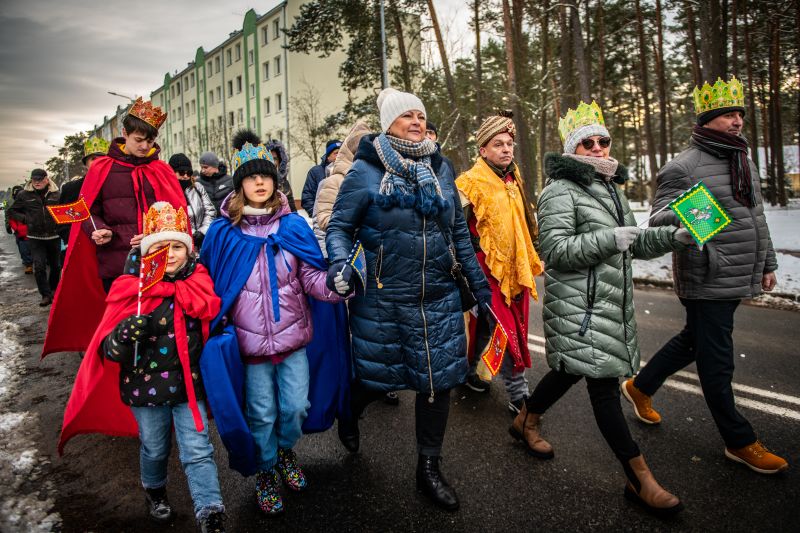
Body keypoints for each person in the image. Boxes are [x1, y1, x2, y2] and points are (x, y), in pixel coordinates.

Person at [511, 100, 693, 517]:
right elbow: (554, 251)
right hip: (581, 307)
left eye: (603, 141)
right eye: (587, 143)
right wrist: (612, 239)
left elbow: (636, 242)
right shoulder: (560, 190)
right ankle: (639, 478)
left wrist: (675, 237)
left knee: (570, 370)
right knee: (604, 384)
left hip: (609, 303)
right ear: (573, 151)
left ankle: (526, 420)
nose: (597, 148)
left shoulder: (611, 189)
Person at [326, 88, 490, 511]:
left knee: (437, 382)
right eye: (407, 116)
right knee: (379, 377)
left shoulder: (441, 168)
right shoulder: (365, 172)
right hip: (384, 298)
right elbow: (340, 228)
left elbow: (457, 233)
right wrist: (340, 265)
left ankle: (428, 469)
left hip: (437, 296)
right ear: (388, 124)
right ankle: (350, 411)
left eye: (421, 115)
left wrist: (478, 287)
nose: (417, 122)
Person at [621, 76, 788, 475]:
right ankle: (739, 440)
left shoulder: (742, 159)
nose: (737, 121)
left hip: (739, 269)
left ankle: (639, 386)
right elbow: (657, 221)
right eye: (728, 115)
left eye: (739, 115)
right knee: (717, 362)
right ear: (709, 119)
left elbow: (756, 215)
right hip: (706, 274)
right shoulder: (682, 166)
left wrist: (767, 263)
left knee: (693, 341)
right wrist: (691, 210)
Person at [199, 135, 346, 516]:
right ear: (240, 184)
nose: (260, 183)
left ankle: (285, 452)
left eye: (266, 176)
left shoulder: (294, 226)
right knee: (261, 412)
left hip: (293, 341)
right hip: (251, 350)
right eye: (251, 178)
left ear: (275, 181)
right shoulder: (223, 233)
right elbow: (213, 284)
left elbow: (311, 278)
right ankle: (266, 470)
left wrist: (335, 285)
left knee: (296, 407)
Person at [58, 202, 226, 532]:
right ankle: (155, 491)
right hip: (144, 389)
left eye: (178, 246)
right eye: (162, 246)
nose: (171, 253)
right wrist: (124, 334)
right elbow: (108, 349)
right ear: (148, 251)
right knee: (155, 447)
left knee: (198, 450)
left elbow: (213, 330)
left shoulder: (200, 283)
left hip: (190, 388)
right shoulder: (129, 291)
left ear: (189, 250)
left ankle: (210, 510)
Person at [43, 97, 186, 357]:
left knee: (157, 330)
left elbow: (177, 214)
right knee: (123, 331)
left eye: (150, 141)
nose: (144, 146)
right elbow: (86, 211)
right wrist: (98, 229)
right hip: (116, 263)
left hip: (160, 261)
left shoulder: (161, 170)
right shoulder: (102, 168)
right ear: (124, 134)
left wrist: (156, 234)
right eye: (138, 140)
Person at [455, 112, 543, 415]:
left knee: (486, 328)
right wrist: (467, 278)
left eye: (509, 144)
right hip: (483, 273)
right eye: (498, 144)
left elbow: (521, 225)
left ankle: (466, 373)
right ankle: (519, 395)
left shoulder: (513, 179)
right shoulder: (467, 184)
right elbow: (456, 233)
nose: (506, 149)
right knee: (505, 330)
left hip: (514, 271)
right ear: (482, 150)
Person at [311, 122, 400, 408]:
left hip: (382, 263)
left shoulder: (384, 177)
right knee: (357, 327)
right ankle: (353, 386)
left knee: (385, 326)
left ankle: (383, 380)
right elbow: (323, 219)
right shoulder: (333, 181)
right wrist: (355, 221)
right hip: (349, 263)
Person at [7, 169, 62, 306]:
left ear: (46, 179)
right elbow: (12, 211)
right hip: (35, 237)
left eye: (40, 179)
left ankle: (53, 290)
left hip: (54, 235)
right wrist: (25, 219)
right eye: (34, 180)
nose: (37, 182)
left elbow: (65, 209)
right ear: (31, 180)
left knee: (55, 266)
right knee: (39, 266)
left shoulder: (57, 194)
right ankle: (45, 295)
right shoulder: (24, 195)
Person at [58, 136, 110, 260]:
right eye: (93, 159)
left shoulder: (116, 185)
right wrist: (70, 241)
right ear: (86, 164)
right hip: (81, 247)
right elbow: (64, 221)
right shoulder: (71, 188)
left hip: (110, 244)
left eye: (101, 158)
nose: (97, 162)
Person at [168, 153, 216, 250]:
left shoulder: (198, 187)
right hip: (182, 244)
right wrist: (192, 233)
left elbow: (210, 210)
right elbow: (172, 218)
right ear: (172, 172)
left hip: (204, 241)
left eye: (189, 173)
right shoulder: (168, 192)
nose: (185, 176)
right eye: (181, 172)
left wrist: (202, 232)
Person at [301, 139, 341, 215]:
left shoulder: (348, 171)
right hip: (321, 219)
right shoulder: (315, 172)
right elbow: (307, 197)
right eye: (336, 153)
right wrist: (317, 215)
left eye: (341, 153)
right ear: (328, 156)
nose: (339, 156)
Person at [5, 185, 33, 274]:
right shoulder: (10, 203)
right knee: (23, 247)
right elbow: (9, 215)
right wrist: (10, 227)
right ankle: (28, 263)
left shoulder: (29, 200)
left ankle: (34, 261)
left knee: (35, 247)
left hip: (31, 228)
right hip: (19, 230)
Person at [263, 138, 297, 211]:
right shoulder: (257, 182)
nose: (272, 162)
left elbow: (292, 210)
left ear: (280, 162)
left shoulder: (283, 183)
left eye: (275, 159)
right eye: (269, 158)